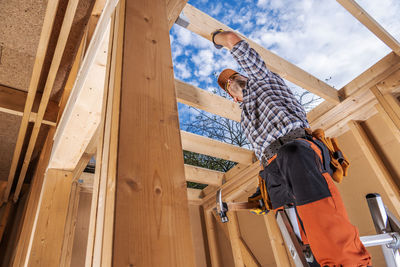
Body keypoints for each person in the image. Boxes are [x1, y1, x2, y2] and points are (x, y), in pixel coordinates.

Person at [212, 29, 372, 266]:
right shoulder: (245, 116)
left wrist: (217, 38)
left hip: (294, 149)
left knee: (323, 223)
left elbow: (233, 41)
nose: (231, 81)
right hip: (272, 169)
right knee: (301, 241)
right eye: (227, 84)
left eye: (233, 76)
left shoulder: (263, 81)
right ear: (233, 98)